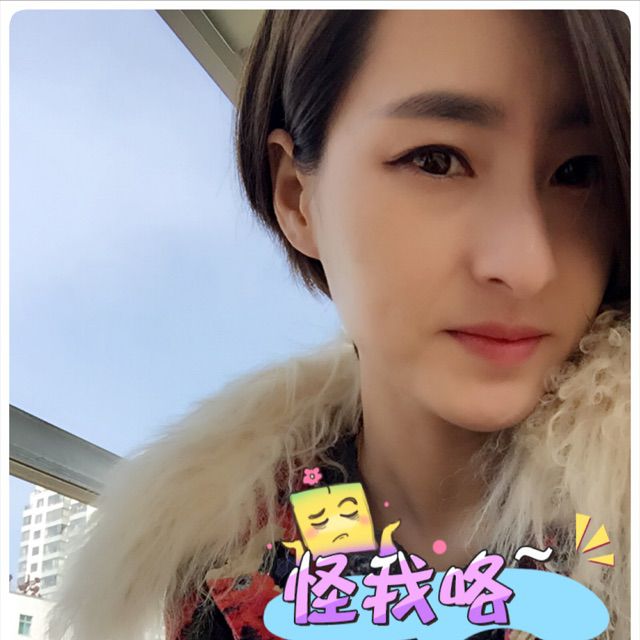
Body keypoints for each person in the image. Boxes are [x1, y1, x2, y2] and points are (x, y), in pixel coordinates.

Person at [47, 8, 630, 640]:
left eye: (579, 170)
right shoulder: (220, 569)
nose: (526, 265)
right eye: (437, 160)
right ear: (297, 196)